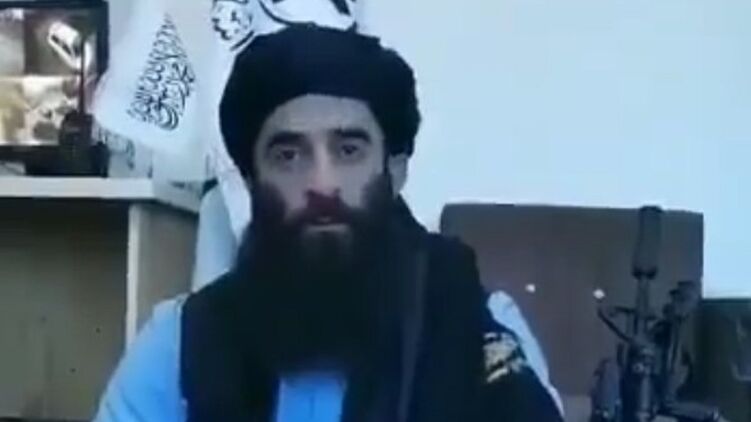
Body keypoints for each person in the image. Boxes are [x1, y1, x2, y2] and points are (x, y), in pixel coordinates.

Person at [94, 25, 564, 422]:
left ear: (394, 171)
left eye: (349, 150)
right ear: (251, 181)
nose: (322, 184)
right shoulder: (179, 345)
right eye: (288, 155)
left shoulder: (478, 327)